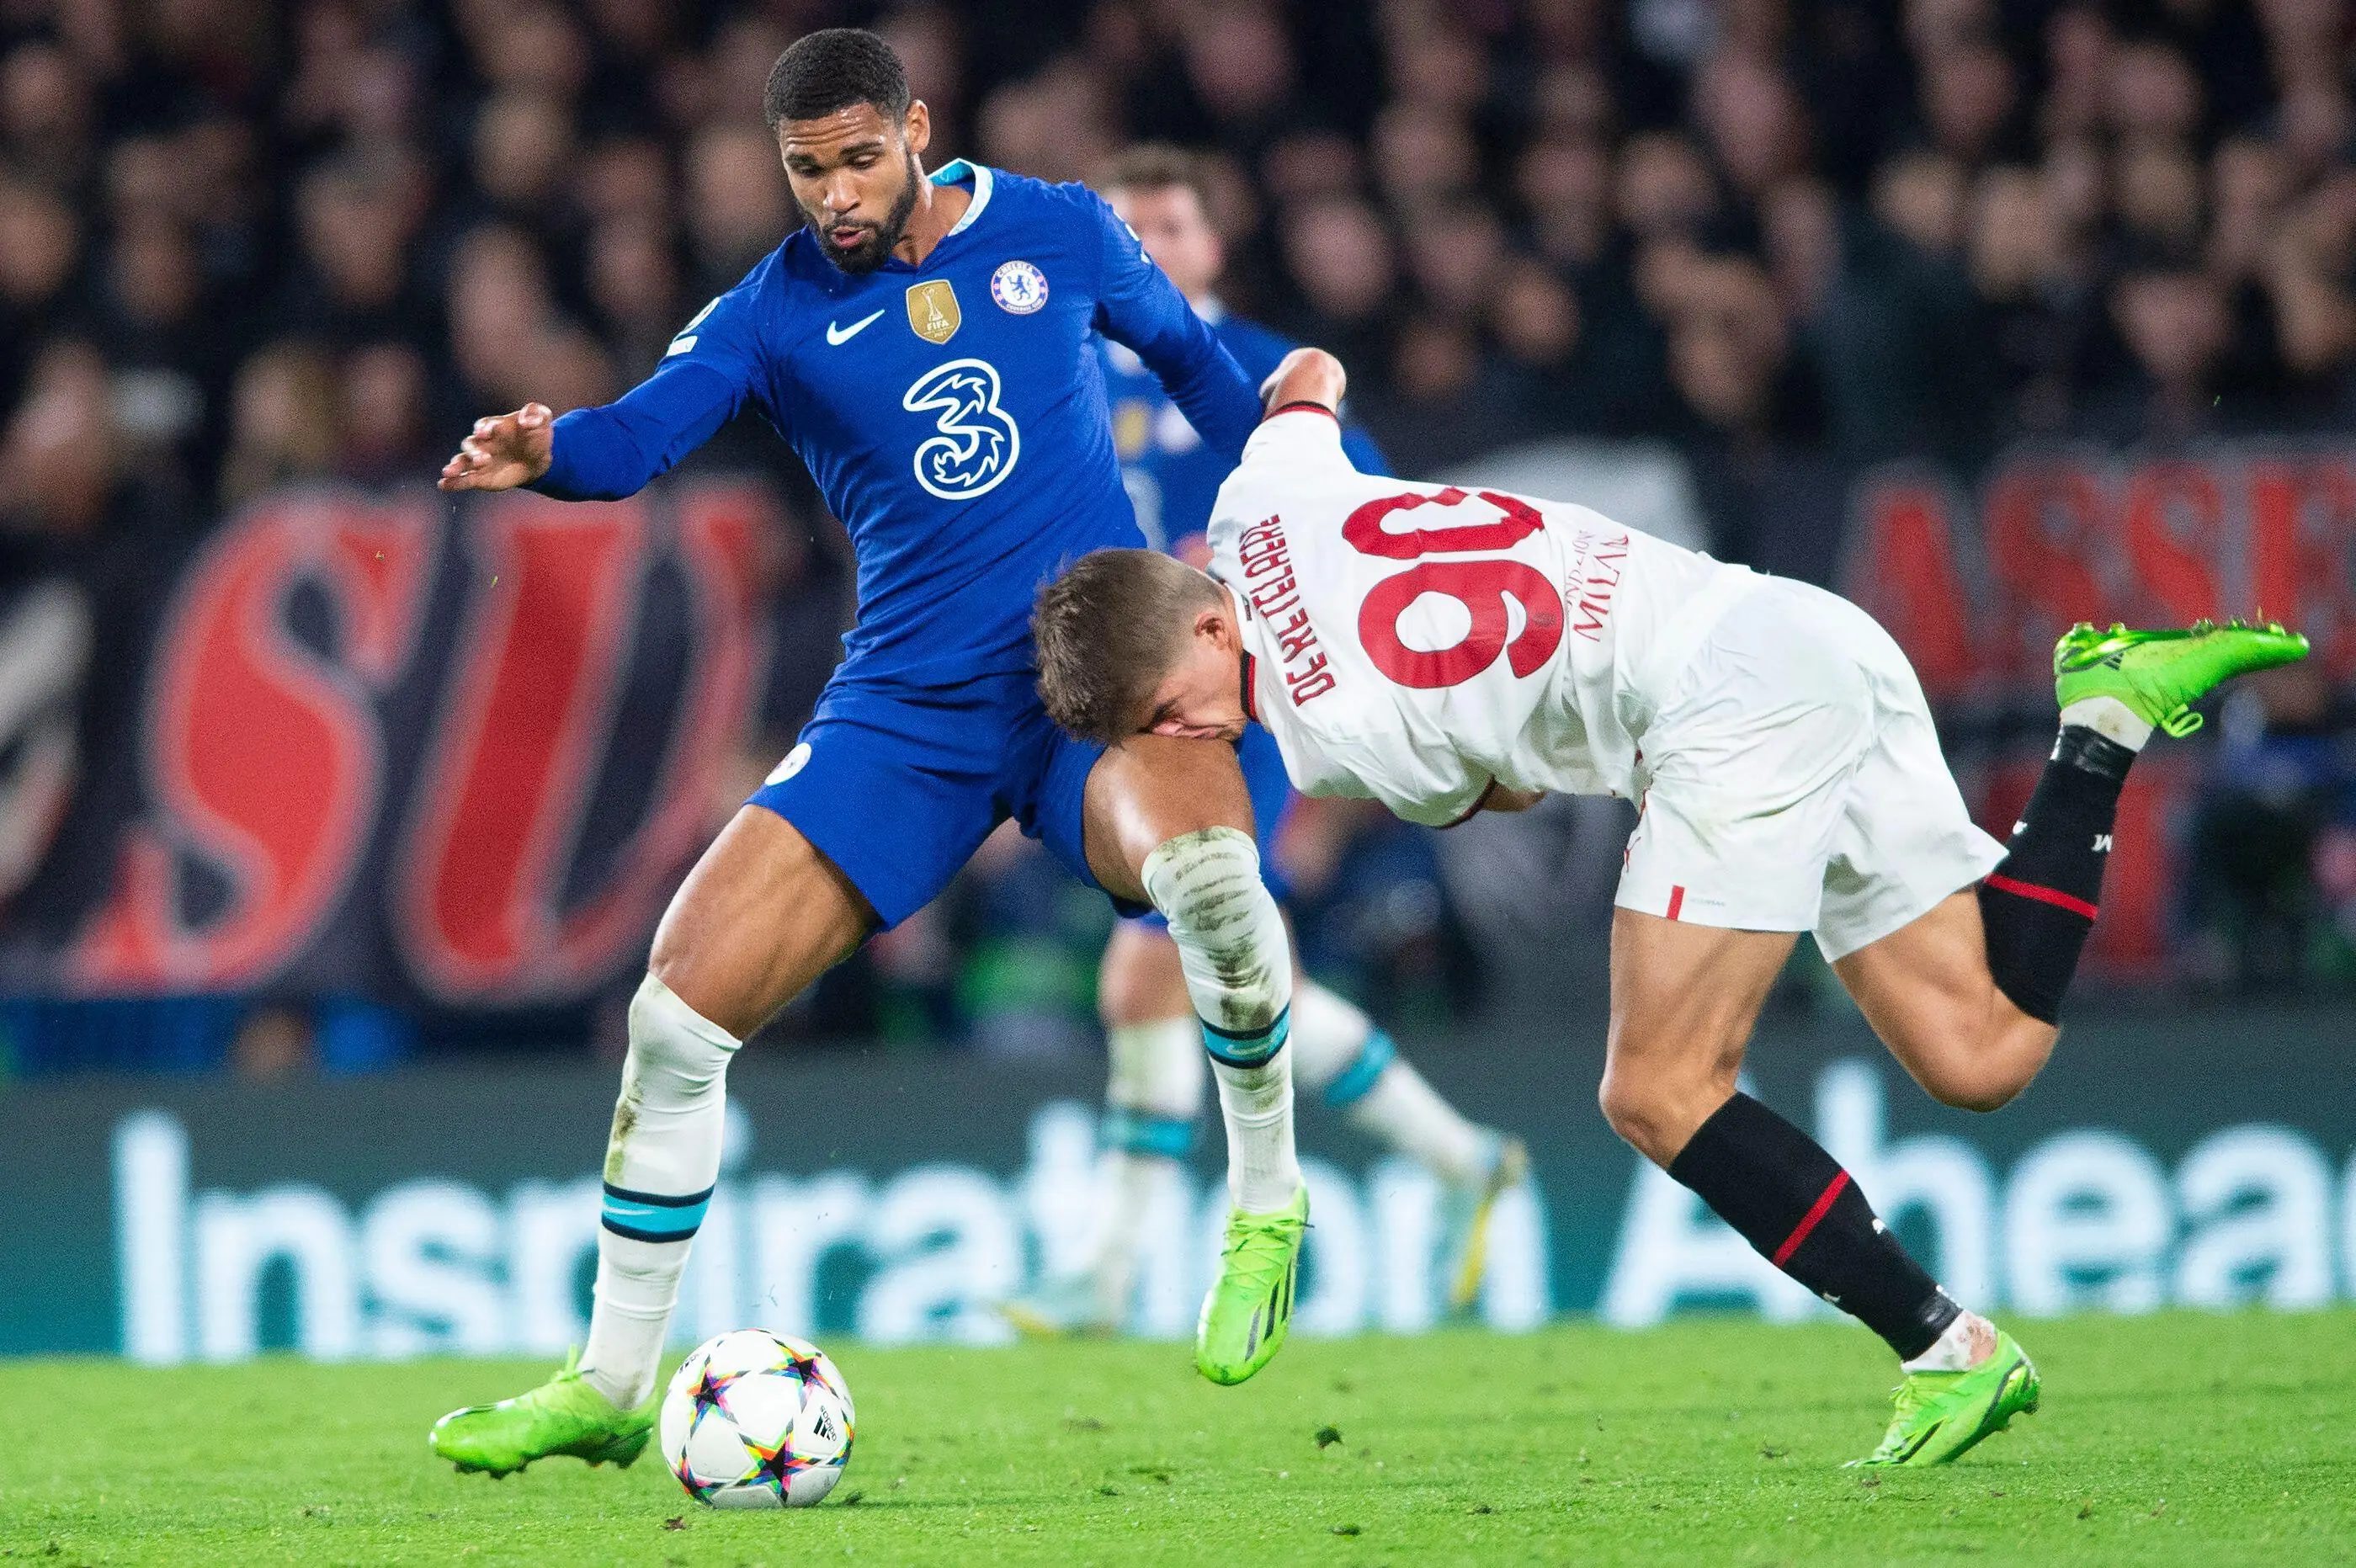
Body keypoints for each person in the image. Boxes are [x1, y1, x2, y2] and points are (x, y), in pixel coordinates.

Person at [1031, 347, 2310, 1468]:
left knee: (1654, 1088)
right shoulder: (1261, 494)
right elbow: (1307, 373)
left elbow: (1507, 798)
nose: (1191, 735)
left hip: (1721, 717)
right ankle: (2101, 721)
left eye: (1167, 706)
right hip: (1793, 627)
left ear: (1207, 623)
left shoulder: (1332, 737)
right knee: (1983, 1052)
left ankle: (1947, 1349)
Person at [425, 30, 1314, 1480]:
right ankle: (603, 1382)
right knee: (673, 1016)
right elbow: (642, 437)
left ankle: (1266, 1206)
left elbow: (1207, 382)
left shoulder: (1062, 229)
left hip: (1088, 677)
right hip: (905, 709)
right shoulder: (767, 314)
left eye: (854, 159)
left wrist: (1298, 509)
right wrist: (551, 452)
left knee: (1210, 876)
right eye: (802, 170)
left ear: (914, 128)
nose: (833, 195)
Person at [1003, 146, 1524, 1338]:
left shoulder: (1244, 374)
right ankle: (1458, 1156)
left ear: (1211, 246)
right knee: (1205, 974)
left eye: (1169, 229)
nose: (1150, 253)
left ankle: (1111, 1267)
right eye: (1127, 236)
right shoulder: (1053, 378)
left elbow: (1367, 531)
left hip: (1248, 708)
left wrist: (1345, 755)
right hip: (1139, 718)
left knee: (1156, 963)